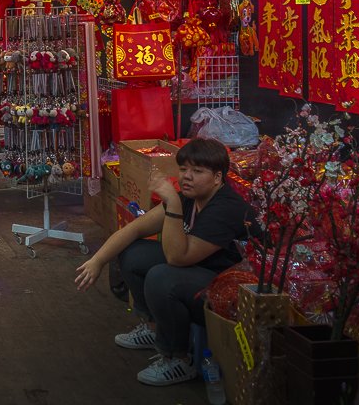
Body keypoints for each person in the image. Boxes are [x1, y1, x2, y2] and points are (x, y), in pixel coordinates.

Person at [74, 138, 253, 388]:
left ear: (217, 177)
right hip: (197, 270)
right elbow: (135, 229)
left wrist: (173, 205)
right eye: (183, 170)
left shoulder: (226, 208)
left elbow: (177, 257)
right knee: (132, 253)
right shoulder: (191, 197)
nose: (187, 177)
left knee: (162, 277)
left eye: (197, 171)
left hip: (226, 287)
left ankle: (178, 358)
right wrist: (97, 260)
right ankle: (152, 326)